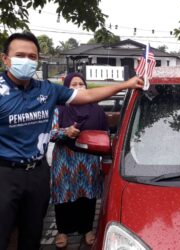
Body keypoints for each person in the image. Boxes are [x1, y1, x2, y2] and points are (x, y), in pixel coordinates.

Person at [0, 32, 143, 250]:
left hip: (38, 172)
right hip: (5, 173)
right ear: (5, 59)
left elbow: (86, 97)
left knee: (32, 234)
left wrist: (126, 84)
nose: (26, 61)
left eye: (32, 56)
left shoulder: (47, 90)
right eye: (20, 55)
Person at [50, 73, 107, 248]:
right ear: (66, 88)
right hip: (65, 158)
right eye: (73, 84)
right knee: (64, 196)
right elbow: (50, 134)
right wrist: (65, 132)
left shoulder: (97, 110)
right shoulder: (58, 108)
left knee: (88, 196)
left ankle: (87, 229)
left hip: (89, 159)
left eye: (81, 84)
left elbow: (104, 134)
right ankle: (63, 231)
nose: (78, 87)